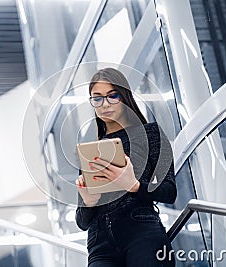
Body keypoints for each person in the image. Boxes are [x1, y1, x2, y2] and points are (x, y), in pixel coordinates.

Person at [75, 67, 177, 267]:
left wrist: (134, 185)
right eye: (97, 98)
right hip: (99, 244)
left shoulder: (151, 135)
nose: (104, 104)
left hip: (141, 233)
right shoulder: (91, 150)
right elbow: (82, 222)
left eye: (112, 96)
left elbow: (169, 191)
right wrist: (89, 201)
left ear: (124, 97)